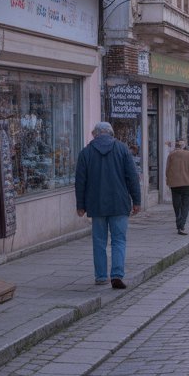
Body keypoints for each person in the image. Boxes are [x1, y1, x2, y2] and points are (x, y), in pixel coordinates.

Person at [75, 121, 142, 289]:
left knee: (99, 241)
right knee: (119, 240)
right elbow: (132, 177)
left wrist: (80, 205)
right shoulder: (122, 149)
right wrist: (137, 201)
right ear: (111, 133)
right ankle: (117, 274)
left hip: (96, 204)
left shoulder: (86, 152)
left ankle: (101, 276)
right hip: (119, 203)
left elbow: (80, 181)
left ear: (94, 134)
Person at [165, 139, 189, 235]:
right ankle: (181, 224)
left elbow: (167, 169)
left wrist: (168, 179)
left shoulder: (171, 155)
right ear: (184, 146)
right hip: (188, 183)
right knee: (186, 205)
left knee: (176, 203)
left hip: (174, 183)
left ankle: (178, 219)